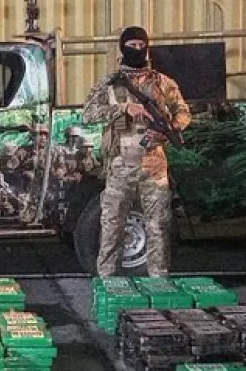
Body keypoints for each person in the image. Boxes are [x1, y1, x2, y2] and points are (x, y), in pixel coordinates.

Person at [82, 26, 190, 277]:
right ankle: (107, 281)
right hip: (121, 164)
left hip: (153, 165)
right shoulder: (110, 83)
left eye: (142, 46)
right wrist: (123, 108)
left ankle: (158, 281)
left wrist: (168, 130)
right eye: (132, 46)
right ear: (123, 48)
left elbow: (183, 112)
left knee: (158, 226)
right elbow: (87, 114)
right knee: (111, 226)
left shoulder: (162, 83)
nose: (138, 50)